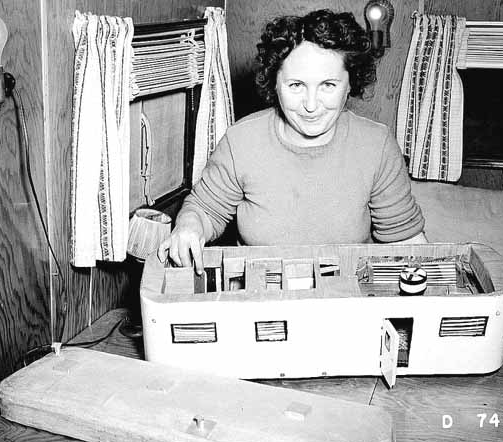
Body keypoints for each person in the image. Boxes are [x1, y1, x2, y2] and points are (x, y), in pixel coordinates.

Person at [158, 9, 427, 274]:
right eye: (296, 85)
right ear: (275, 84)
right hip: (262, 300)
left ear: (350, 83)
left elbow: (405, 240)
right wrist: (188, 227)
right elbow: (205, 209)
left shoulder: (376, 145)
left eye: (328, 85)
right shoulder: (241, 141)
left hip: (349, 300)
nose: (311, 105)